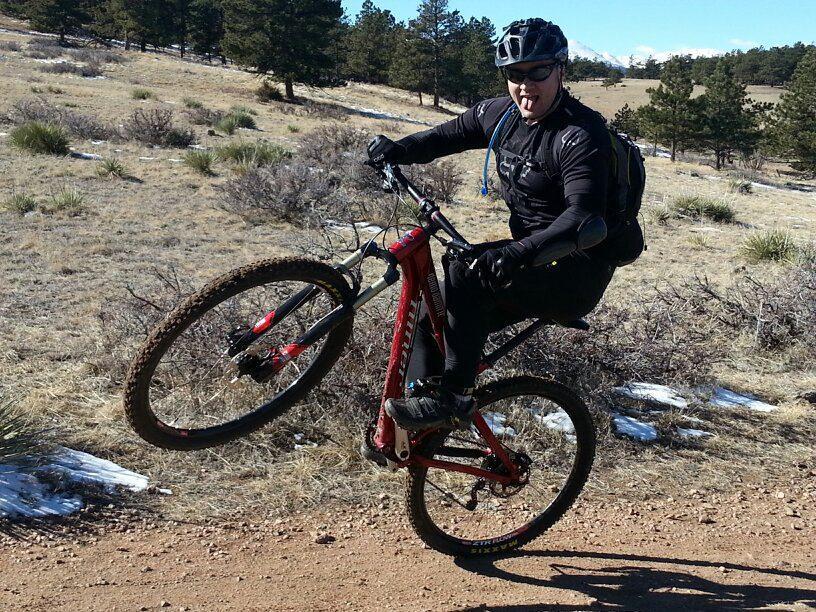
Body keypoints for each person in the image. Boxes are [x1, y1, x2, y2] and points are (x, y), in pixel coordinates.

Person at [368, 18, 622, 431]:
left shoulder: (580, 134)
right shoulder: (500, 114)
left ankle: (454, 397)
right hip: (529, 259)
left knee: (465, 274)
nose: (526, 85)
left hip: (575, 273)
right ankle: (408, 432)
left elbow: (585, 220)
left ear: (561, 70)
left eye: (538, 72)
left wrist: (518, 252)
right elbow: (443, 137)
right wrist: (397, 150)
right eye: (515, 74)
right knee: (431, 318)